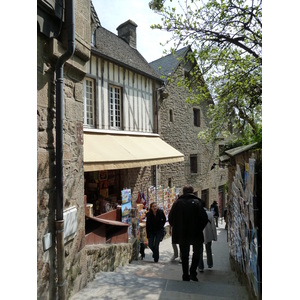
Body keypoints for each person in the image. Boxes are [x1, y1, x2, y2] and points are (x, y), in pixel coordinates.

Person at [168, 185, 208, 281]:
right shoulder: (197, 203)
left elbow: (170, 218)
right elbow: (204, 218)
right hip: (196, 232)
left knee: (184, 254)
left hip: (182, 233)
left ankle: (185, 275)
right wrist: (199, 228)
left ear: (183, 192)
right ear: (193, 191)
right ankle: (193, 272)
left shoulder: (177, 203)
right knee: (197, 252)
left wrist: (177, 228)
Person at [199, 200, 217, 272]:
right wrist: (214, 236)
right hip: (208, 233)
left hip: (199, 234)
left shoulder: (197, 213)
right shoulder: (210, 214)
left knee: (200, 251)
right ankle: (210, 264)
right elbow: (213, 226)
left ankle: (200, 266)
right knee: (209, 249)